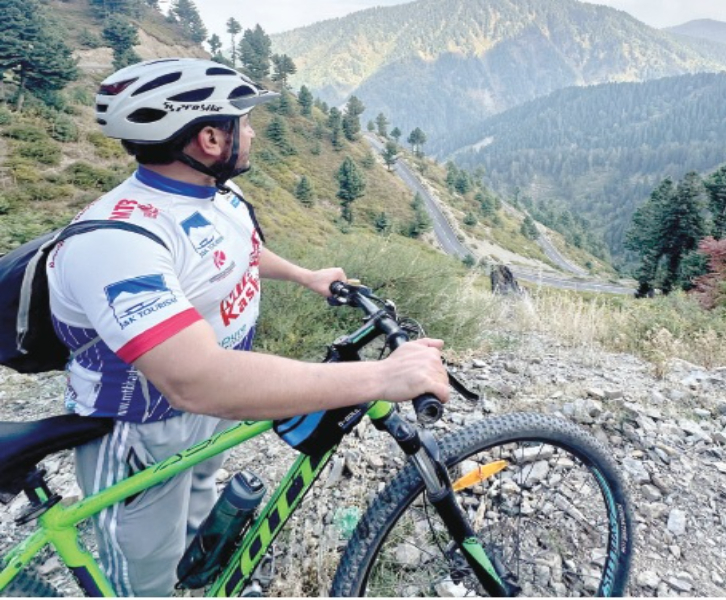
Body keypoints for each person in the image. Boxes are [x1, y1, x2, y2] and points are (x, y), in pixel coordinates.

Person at [46, 58, 448, 596]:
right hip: (142, 426)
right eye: (245, 121)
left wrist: (306, 276)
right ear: (211, 138)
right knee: (148, 572)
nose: (253, 132)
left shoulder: (216, 196)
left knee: (199, 508)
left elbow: (235, 252)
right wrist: (380, 379)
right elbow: (197, 380)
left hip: (205, 418)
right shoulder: (117, 242)